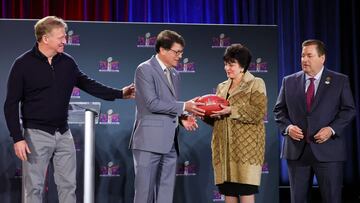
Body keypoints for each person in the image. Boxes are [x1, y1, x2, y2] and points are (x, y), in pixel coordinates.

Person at [3, 16, 135, 203]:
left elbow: (88, 84)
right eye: (61, 37)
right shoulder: (23, 64)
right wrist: (18, 138)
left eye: (65, 36)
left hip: (63, 134)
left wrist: (120, 93)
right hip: (35, 135)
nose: (65, 41)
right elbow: (10, 104)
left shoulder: (67, 62)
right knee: (34, 188)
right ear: (45, 38)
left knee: (68, 186)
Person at [273, 39, 356, 203]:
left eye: (309, 55)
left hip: (328, 151)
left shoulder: (339, 80)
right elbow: (278, 110)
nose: (304, 59)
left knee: (332, 199)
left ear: (322, 58)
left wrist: (331, 129)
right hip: (297, 152)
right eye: (303, 55)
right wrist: (288, 127)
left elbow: (349, 110)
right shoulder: (288, 81)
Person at [129, 30, 205, 203]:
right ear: (162, 50)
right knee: (144, 195)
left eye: (181, 52)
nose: (180, 56)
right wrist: (184, 106)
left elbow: (169, 104)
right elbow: (151, 103)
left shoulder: (175, 74)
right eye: (176, 52)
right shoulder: (144, 69)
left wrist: (181, 117)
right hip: (148, 143)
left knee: (165, 196)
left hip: (170, 143)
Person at [203, 44, 267, 203]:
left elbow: (258, 113)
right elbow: (218, 119)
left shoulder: (256, 83)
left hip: (246, 151)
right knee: (229, 193)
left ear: (242, 66)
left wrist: (231, 110)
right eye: (226, 64)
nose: (227, 68)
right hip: (223, 151)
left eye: (231, 64)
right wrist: (205, 113)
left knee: (246, 193)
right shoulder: (221, 87)